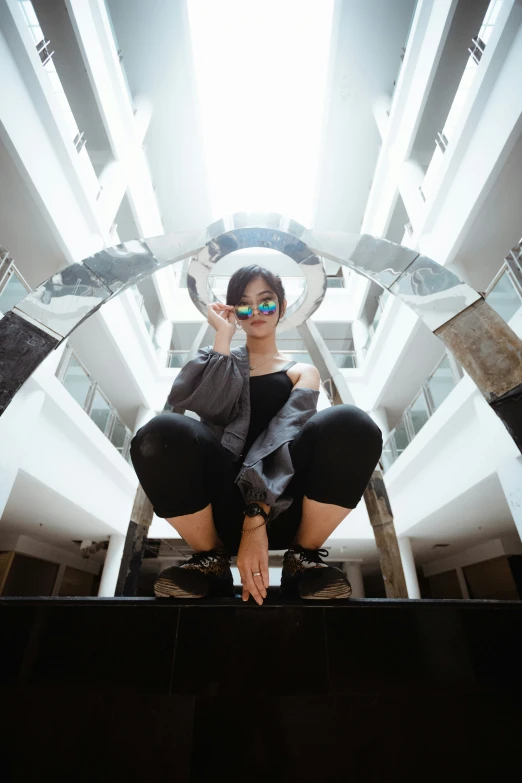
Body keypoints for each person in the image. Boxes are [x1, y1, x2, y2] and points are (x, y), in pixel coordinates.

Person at [130, 265, 383, 605]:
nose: (257, 313)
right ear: (234, 311)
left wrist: (256, 511)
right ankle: (210, 561)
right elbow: (208, 406)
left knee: (351, 422)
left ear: (282, 304)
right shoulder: (219, 361)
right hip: (218, 508)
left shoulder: (301, 372)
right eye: (245, 306)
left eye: (266, 302)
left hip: (286, 503)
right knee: (160, 431)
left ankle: (302, 560)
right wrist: (223, 334)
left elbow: (283, 435)